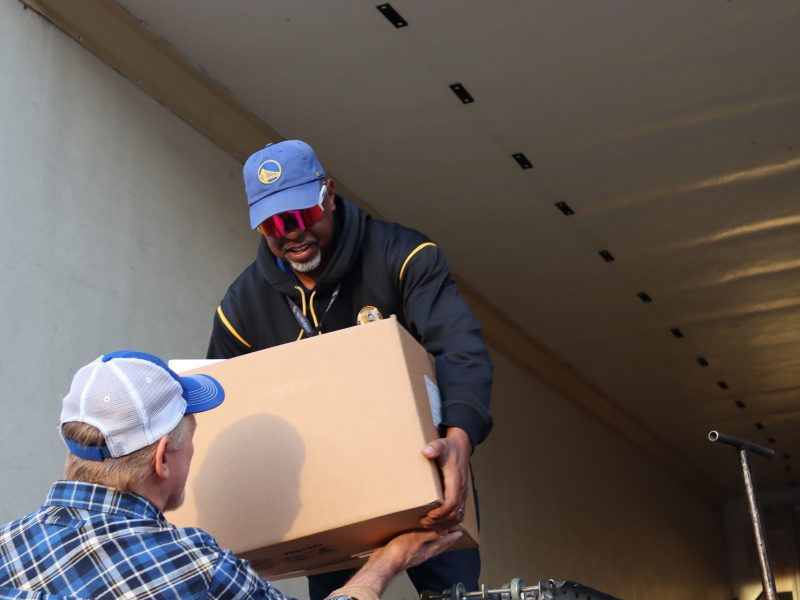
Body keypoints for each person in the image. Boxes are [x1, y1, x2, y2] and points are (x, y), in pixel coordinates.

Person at [207, 140, 493, 598]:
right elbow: (222, 410)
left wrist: (460, 436)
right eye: (273, 225)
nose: (291, 234)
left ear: (329, 194)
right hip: (327, 486)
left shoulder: (404, 256)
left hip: (425, 463)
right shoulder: (241, 308)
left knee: (452, 592)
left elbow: (458, 347)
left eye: (300, 216)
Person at [0, 351, 460, 599]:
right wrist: (387, 562)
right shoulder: (191, 564)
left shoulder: (7, 545)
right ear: (163, 458)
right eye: (191, 436)